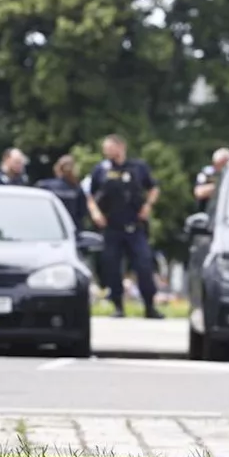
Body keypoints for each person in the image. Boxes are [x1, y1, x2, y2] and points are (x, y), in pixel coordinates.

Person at [85, 134, 164, 319]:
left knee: (144, 265)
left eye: (109, 147)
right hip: (111, 227)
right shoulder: (101, 169)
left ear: (120, 147)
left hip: (135, 226)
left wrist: (148, 206)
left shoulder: (138, 167)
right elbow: (88, 193)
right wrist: (95, 212)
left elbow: (154, 188)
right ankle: (118, 306)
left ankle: (149, 306)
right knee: (111, 267)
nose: (106, 152)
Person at [36, 154, 88, 231]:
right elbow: (82, 212)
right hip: (72, 229)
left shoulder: (45, 186)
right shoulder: (77, 189)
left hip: (49, 228)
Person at [193, 147, 229, 213]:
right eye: (218, 164)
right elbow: (199, 192)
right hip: (207, 213)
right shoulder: (207, 173)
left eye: (223, 165)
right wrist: (222, 186)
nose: (220, 168)